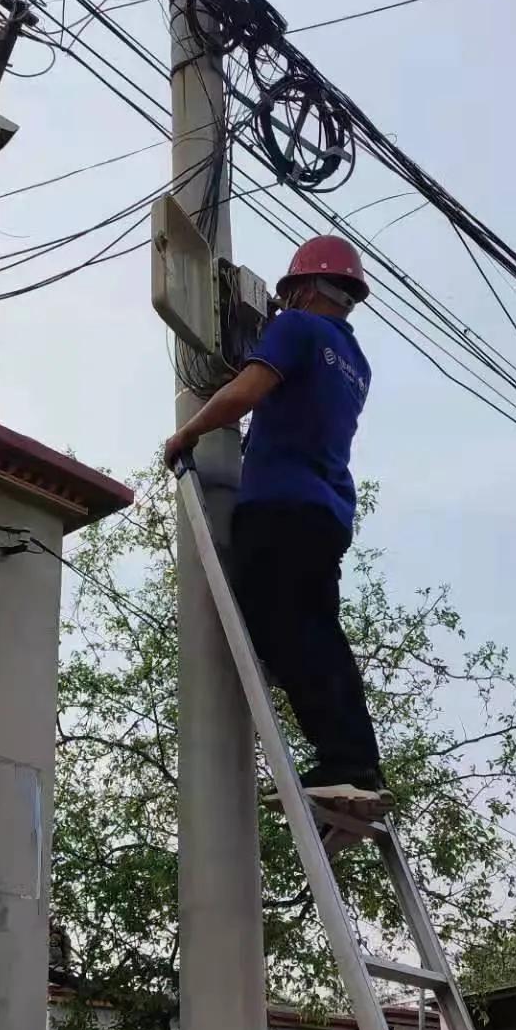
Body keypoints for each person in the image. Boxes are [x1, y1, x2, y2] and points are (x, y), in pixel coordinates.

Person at [163, 233, 387, 809]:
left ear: (304, 288)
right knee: (317, 631)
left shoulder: (295, 330)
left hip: (280, 505)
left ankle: (343, 762)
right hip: (327, 511)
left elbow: (249, 390)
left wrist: (188, 432)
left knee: (279, 625)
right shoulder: (355, 361)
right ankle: (357, 760)